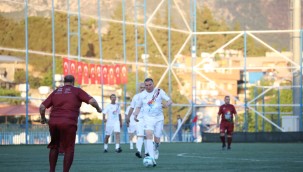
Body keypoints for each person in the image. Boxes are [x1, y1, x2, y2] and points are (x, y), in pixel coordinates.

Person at [39, 75, 102, 172]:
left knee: (54, 146)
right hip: (68, 122)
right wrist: (98, 109)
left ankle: (51, 170)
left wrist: (43, 118)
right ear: (73, 82)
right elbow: (92, 101)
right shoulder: (77, 90)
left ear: (64, 82)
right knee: (69, 148)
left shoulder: (56, 91)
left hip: (54, 122)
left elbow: (42, 107)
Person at [133, 78, 173, 166]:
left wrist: (166, 104)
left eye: (150, 85)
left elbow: (169, 100)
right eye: (146, 85)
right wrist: (135, 115)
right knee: (148, 135)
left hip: (159, 118)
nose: (148, 87)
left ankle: (156, 148)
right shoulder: (142, 95)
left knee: (157, 138)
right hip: (148, 119)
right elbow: (138, 107)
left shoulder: (158, 91)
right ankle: (151, 158)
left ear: (153, 84)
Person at [126, 83, 147, 158]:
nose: (142, 89)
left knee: (147, 136)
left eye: (144, 87)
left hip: (148, 119)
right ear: (139, 88)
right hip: (139, 119)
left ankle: (147, 152)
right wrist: (128, 117)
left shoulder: (150, 96)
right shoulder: (136, 97)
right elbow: (132, 107)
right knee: (140, 135)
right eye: (141, 87)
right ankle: (139, 151)